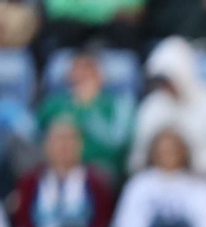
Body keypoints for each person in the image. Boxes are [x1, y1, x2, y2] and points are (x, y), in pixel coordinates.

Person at [131, 37, 206, 189]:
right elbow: (137, 158)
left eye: (169, 79)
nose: (166, 86)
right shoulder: (151, 107)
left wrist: (190, 164)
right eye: (161, 80)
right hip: (160, 185)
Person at [11, 117, 115, 227]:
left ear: (80, 145)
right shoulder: (29, 182)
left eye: (70, 140)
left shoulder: (97, 183)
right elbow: (24, 226)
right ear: (47, 145)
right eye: (58, 140)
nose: (64, 146)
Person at [34, 51, 134, 181]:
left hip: (95, 166)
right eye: (78, 69)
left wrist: (89, 110)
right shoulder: (55, 103)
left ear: (101, 76)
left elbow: (116, 144)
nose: (83, 75)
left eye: (89, 69)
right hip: (53, 165)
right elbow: (34, 133)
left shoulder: (117, 104)